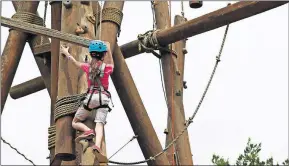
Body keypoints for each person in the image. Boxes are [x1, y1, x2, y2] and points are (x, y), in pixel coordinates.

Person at [60, 40, 114, 162]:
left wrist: (66, 52)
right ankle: (98, 146)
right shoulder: (107, 68)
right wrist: (109, 48)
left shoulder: (87, 67)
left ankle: (88, 131)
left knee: (75, 122)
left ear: (91, 55)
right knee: (100, 123)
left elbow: (74, 62)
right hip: (104, 99)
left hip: (91, 98)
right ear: (103, 54)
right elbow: (111, 62)